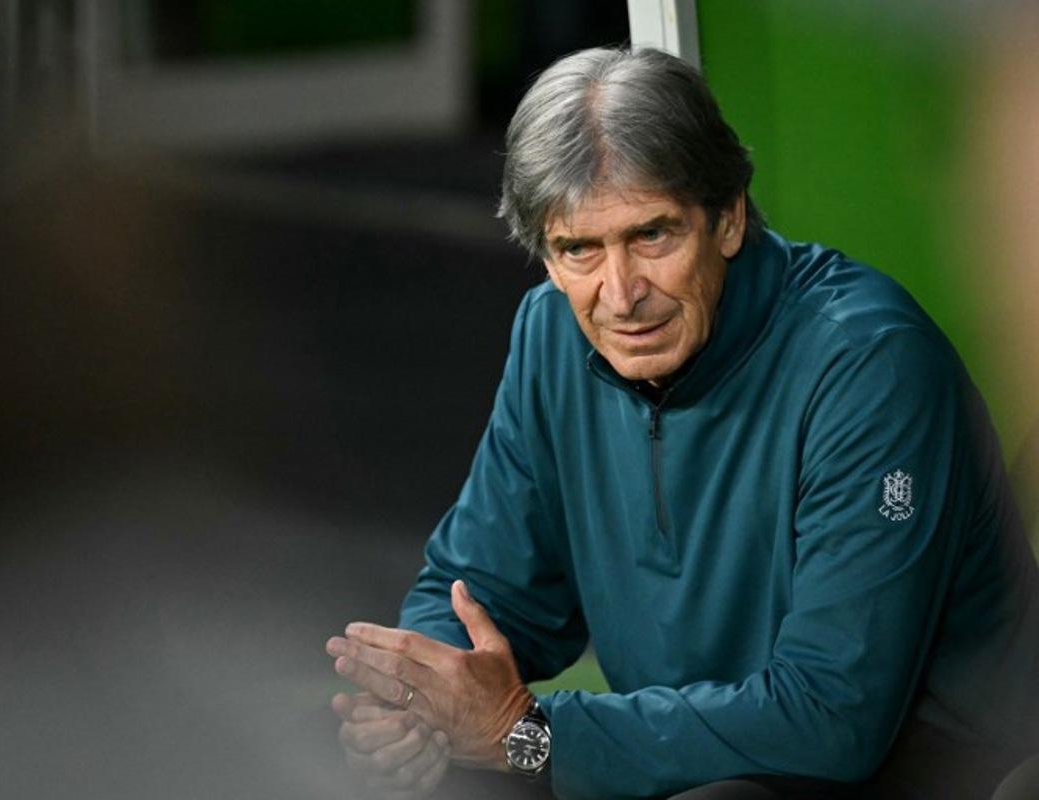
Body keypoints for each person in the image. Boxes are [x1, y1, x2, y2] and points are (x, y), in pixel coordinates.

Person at [325, 47, 1039, 799]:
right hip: (695, 752)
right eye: (579, 250)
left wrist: (524, 733)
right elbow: (479, 588)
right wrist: (420, 703)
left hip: (926, 769)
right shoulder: (551, 334)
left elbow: (834, 718)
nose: (620, 294)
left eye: (651, 236)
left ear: (727, 218)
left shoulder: (870, 363)